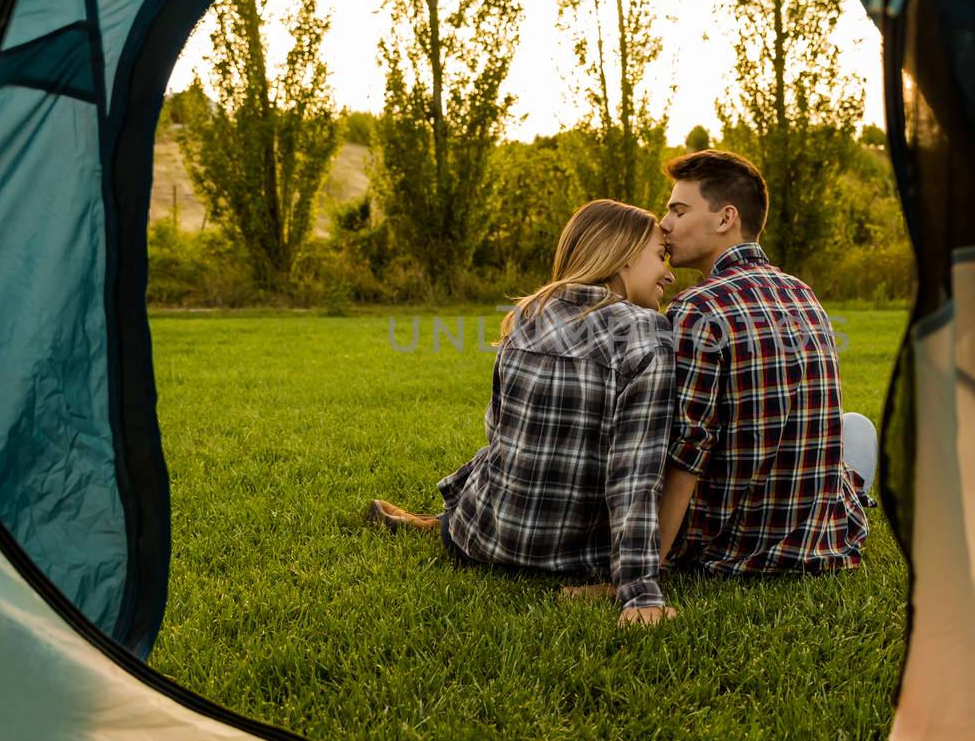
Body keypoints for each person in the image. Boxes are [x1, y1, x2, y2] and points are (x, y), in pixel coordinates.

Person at [367, 199, 680, 625]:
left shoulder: (528, 312)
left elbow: (498, 429)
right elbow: (634, 475)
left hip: (482, 539)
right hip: (573, 556)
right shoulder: (647, 333)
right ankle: (434, 520)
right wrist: (639, 592)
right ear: (623, 256)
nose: (669, 271)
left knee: (496, 457)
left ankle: (438, 522)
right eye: (660, 256)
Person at [654, 149, 868, 574]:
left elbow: (686, 449)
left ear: (724, 218)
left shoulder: (696, 308)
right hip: (815, 537)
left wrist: (646, 564)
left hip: (727, 544)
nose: (664, 223)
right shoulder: (802, 292)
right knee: (847, 430)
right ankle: (852, 485)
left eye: (678, 210)